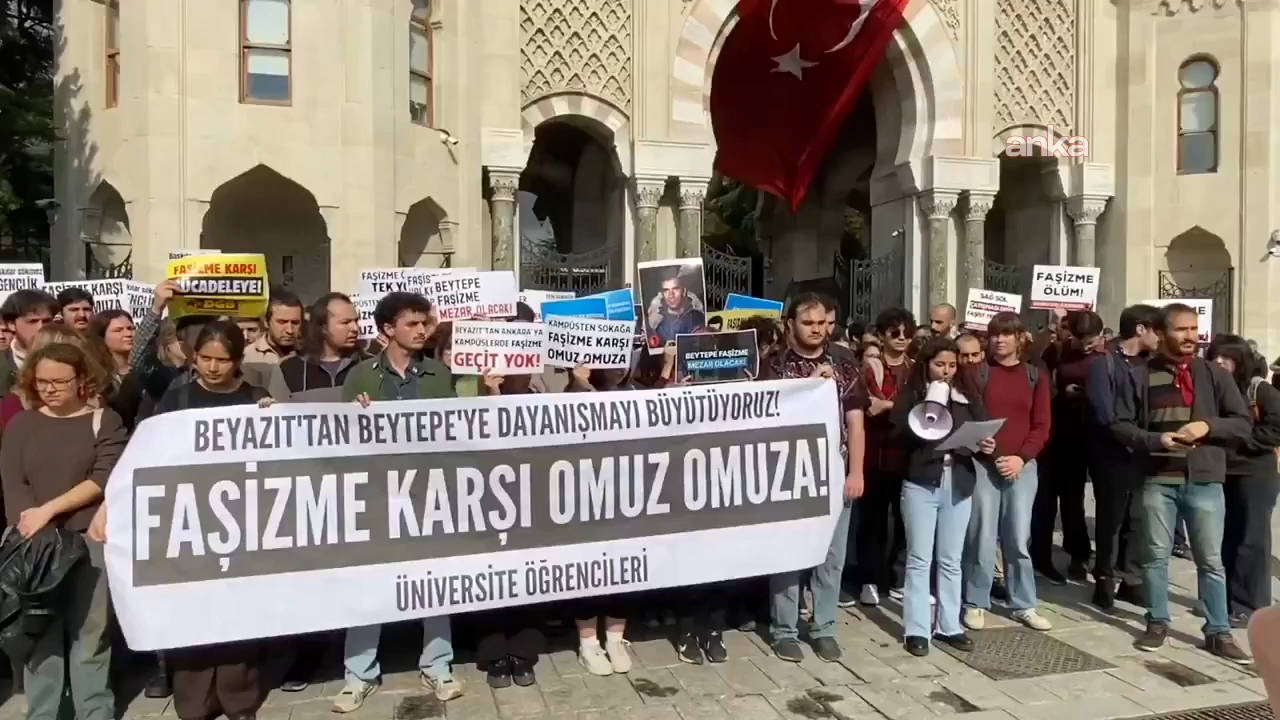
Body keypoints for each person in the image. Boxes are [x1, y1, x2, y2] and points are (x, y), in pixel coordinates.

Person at [336, 291, 462, 710]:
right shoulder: (361, 376)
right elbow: (339, 436)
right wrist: (356, 413)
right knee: (369, 580)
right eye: (413, 323)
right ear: (388, 329)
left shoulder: (439, 374)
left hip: (429, 491)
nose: (423, 330)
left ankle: (438, 664)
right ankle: (359, 673)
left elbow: (456, 429)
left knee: (435, 580)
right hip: (377, 494)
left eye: (425, 323)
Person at [1111, 303, 1252, 662]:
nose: (1191, 336)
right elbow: (1120, 424)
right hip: (1157, 479)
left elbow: (1242, 423)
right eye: (1181, 329)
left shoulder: (1213, 374)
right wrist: (1154, 440)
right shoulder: (1139, 375)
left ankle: (1218, 631)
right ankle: (1157, 621)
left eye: (1193, 328)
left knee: (1211, 561)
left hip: (1204, 480)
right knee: (1155, 556)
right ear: (1161, 333)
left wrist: (1208, 426)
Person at [152, 321, 272, 720]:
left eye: (222, 360)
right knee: (192, 612)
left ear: (237, 361)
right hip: (189, 521)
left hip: (243, 521)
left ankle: (239, 698)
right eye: (205, 358)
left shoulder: (256, 398)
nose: (213, 367)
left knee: (238, 612)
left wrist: (273, 418)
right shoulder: (178, 400)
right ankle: (195, 699)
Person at [1, 341, 124, 720]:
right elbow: (13, 482)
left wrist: (49, 511)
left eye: (59, 381)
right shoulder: (22, 424)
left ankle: (94, 712)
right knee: (42, 639)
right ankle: (44, 713)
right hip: (35, 545)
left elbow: (104, 477)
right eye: (42, 382)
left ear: (81, 380)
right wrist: (32, 525)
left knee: (90, 636)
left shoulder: (105, 420)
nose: (50, 389)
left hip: (88, 541)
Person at [763, 292, 867, 663]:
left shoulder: (845, 363)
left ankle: (824, 627)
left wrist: (856, 471)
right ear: (790, 324)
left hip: (834, 471)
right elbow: (767, 416)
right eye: (808, 323)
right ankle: (784, 630)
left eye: (822, 323)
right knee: (788, 555)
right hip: (788, 474)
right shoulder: (773, 365)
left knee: (831, 556)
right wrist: (809, 385)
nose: (817, 330)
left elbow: (856, 421)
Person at [891, 337, 996, 656]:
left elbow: (982, 429)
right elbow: (897, 433)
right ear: (926, 365)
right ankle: (917, 629)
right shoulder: (912, 393)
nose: (946, 371)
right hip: (922, 482)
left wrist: (986, 446)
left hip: (958, 481)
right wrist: (925, 409)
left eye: (952, 365)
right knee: (920, 558)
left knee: (951, 559)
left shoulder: (966, 395)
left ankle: (950, 625)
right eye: (940, 365)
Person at [962, 312, 1054, 633]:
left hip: (1022, 468)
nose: (999, 340)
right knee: (981, 536)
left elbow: (1041, 425)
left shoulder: (1035, 376)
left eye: (1006, 334)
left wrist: (1021, 458)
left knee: (1017, 537)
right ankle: (975, 601)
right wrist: (983, 445)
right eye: (994, 334)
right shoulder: (977, 373)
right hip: (983, 465)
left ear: (1019, 338)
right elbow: (968, 418)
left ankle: (1023, 604)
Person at [1084, 304, 1161, 609]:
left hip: (1143, 453)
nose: (1161, 337)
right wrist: (1132, 436)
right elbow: (1104, 413)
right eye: (1157, 330)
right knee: (1111, 519)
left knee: (1138, 519)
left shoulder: (1152, 364)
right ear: (1140, 329)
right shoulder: (1104, 363)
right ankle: (1104, 577)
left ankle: (1132, 579)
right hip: (1111, 453)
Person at [1206, 335, 1280, 628]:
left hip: (1255, 472)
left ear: (1240, 361)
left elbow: (1276, 427)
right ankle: (1225, 600)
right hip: (1223, 471)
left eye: (1227, 357)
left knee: (1252, 539)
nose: (1220, 361)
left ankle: (1250, 605)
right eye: (1215, 356)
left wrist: (1241, 441)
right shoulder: (1212, 387)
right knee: (1227, 537)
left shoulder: (1259, 390)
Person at [1033, 310, 1103, 584]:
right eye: (1080, 340)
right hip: (1057, 431)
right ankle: (1042, 556)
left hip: (1088, 433)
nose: (1085, 346)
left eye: (1091, 341)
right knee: (1049, 499)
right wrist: (1061, 393)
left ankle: (1079, 554)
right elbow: (1042, 377)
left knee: (1075, 500)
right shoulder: (1058, 351)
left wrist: (1087, 393)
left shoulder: (1107, 356)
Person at [854, 307, 914, 607]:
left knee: (906, 522)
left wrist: (889, 406)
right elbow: (865, 404)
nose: (901, 338)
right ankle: (870, 579)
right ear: (881, 335)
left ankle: (898, 576)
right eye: (894, 332)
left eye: (907, 333)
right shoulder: (869, 369)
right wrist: (894, 406)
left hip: (907, 457)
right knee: (872, 523)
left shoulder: (916, 369)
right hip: (874, 457)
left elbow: (920, 407)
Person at [279, 293, 361, 397]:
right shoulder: (289, 368)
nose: (355, 328)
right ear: (323, 327)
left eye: (356, 321)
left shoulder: (369, 365)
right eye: (345, 322)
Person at [0, 289, 59, 395]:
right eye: (32, 321)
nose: (41, 328)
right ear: (11, 324)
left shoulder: (72, 359)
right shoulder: (3, 364)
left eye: (47, 321)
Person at [244, 290, 303, 365]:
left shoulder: (309, 356)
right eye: (282, 322)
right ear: (266, 322)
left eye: (295, 323)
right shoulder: (248, 357)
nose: (290, 330)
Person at [647, 269, 705, 345]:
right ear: (662, 294)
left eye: (675, 289)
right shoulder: (657, 324)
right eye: (666, 290)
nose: (671, 295)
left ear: (683, 291)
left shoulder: (697, 317)